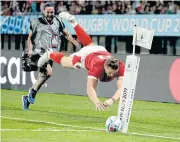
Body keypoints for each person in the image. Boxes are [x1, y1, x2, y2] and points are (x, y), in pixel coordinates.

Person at [38, 12, 125, 111]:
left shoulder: (120, 66)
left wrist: (112, 100)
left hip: (99, 49)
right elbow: (90, 88)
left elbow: (122, 88)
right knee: (66, 63)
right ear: (105, 65)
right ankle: (49, 54)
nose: (110, 75)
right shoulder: (97, 67)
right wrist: (97, 102)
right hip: (85, 56)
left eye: (113, 73)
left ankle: (74, 22)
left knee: (89, 43)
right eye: (109, 72)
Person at [22, 3, 79, 110]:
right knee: (48, 72)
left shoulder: (58, 21)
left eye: (52, 12)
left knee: (44, 76)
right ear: (44, 11)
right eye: (48, 12)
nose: (50, 14)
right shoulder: (36, 22)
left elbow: (66, 33)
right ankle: (32, 92)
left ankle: (29, 96)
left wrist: (73, 40)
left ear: (54, 11)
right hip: (39, 51)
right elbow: (29, 37)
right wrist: (29, 49)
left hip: (52, 53)